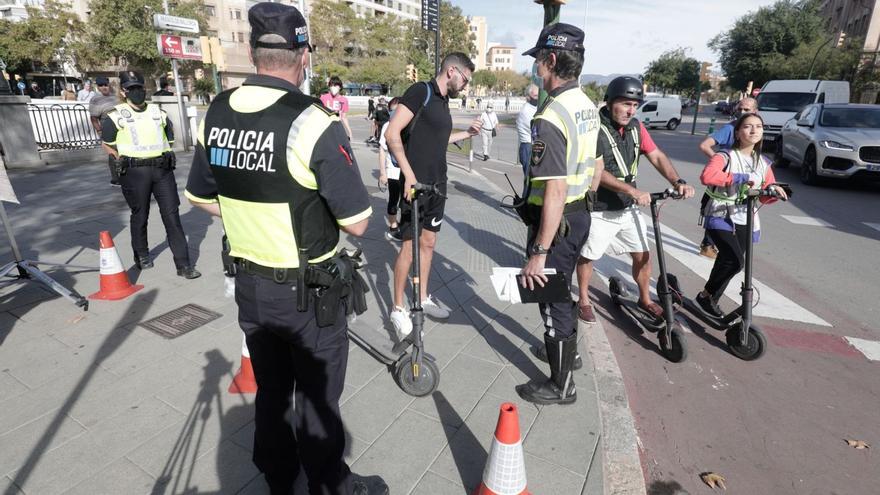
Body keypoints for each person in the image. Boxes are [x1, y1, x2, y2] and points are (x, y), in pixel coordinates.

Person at [184, 4, 386, 494]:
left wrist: (253, 218)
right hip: (309, 296)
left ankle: (278, 475)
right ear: (302, 56)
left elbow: (200, 198)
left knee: (271, 390)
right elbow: (358, 222)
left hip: (250, 285)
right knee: (317, 397)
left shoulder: (218, 110)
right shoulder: (313, 121)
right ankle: (327, 482)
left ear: (254, 54)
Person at [516, 23, 603, 405]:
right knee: (561, 291)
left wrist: (539, 251)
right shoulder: (586, 105)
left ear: (550, 60)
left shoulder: (551, 116)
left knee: (550, 297)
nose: (535, 66)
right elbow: (597, 166)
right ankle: (569, 356)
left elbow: (553, 188)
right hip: (580, 213)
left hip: (559, 221)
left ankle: (561, 384)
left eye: (538, 60)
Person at [575, 76, 695, 324]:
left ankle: (645, 299)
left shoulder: (637, 128)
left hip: (628, 208)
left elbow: (657, 156)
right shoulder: (594, 128)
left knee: (643, 254)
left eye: (635, 105)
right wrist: (632, 191)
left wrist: (677, 181)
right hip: (600, 207)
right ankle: (584, 300)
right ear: (609, 102)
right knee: (589, 255)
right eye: (625, 103)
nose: (630, 110)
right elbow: (596, 171)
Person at [384, 52, 482, 336]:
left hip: (438, 185)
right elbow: (392, 134)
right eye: (465, 79)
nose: (466, 85)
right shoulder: (420, 92)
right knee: (409, 246)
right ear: (452, 71)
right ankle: (398, 308)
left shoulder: (443, 102)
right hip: (415, 186)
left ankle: (423, 297)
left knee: (428, 244)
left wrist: (467, 134)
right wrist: (409, 175)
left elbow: (437, 139)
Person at [100, 70, 200, 279]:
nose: (137, 92)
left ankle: (183, 264)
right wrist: (119, 160)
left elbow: (169, 138)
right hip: (135, 172)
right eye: (132, 89)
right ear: (124, 91)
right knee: (140, 214)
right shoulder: (114, 115)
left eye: (139, 88)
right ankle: (141, 254)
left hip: (162, 170)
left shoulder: (159, 112)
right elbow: (108, 144)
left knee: (172, 216)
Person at [695, 113, 787, 317]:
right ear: (737, 132)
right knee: (735, 261)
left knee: (727, 261)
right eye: (747, 126)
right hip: (720, 214)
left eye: (759, 127)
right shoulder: (725, 156)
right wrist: (738, 177)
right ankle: (706, 296)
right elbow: (707, 176)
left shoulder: (764, 163)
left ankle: (709, 298)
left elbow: (764, 195)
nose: (754, 130)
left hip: (746, 217)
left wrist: (773, 193)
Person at [697, 97, 758, 258]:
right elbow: (704, 145)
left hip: (742, 183)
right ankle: (708, 245)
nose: (742, 112)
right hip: (725, 182)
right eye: (740, 109)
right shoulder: (730, 129)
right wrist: (722, 163)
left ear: (755, 112)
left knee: (737, 213)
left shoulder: (755, 130)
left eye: (746, 110)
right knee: (719, 213)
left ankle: (719, 246)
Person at [378, 97, 403, 242]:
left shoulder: (409, 124)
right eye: (392, 110)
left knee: (408, 200)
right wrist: (382, 172)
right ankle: (393, 227)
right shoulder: (387, 126)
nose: (395, 113)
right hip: (393, 171)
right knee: (394, 198)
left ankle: (405, 225)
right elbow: (382, 150)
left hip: (407, 172)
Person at [90, 76, 120, 185]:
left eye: (105, 85)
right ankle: (116, 178)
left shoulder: (115, 97)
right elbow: (93, 118)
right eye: (101, 85)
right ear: (97, 87)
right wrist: (100, 131)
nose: (104, 87)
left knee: (122, 152)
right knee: (112, 153)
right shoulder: (95, 99)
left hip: (120, 128)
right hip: (107, 128)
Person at [515, 84, 539, 175]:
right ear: (528, 97)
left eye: (538, 95)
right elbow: (536, 129)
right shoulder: (525, 111)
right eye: (535, 96)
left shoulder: (535, 108)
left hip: (533, 146)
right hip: (528, 147)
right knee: (529, 178)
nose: (537, 98)